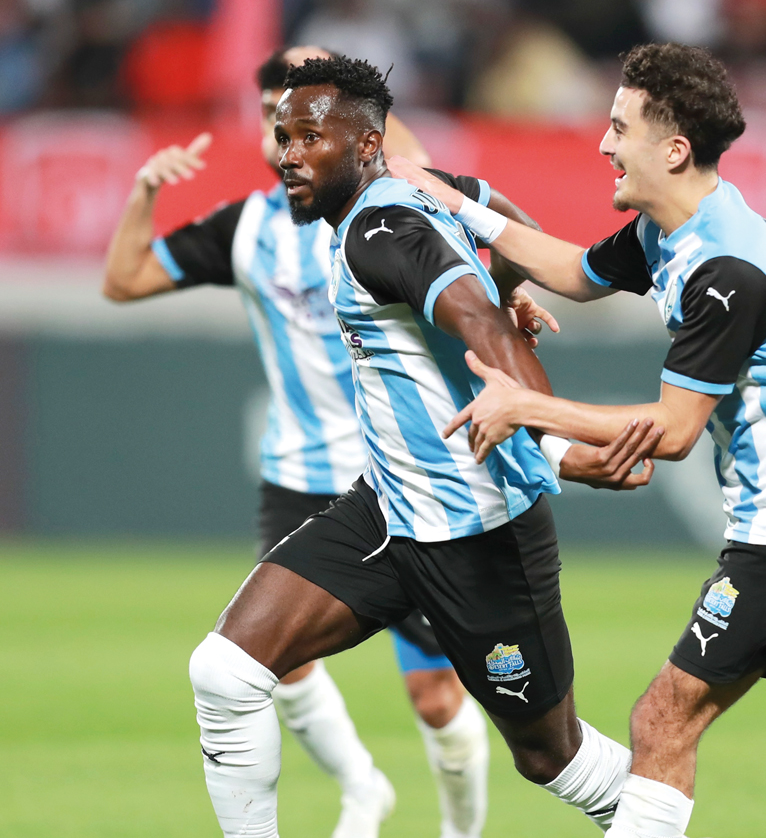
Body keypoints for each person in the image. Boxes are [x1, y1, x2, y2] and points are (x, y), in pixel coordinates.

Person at [388, 42, 766, 838]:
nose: (603, 144)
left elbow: (672, 433)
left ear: (673, 149)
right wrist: (453, 204)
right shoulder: (667, 230)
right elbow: (573, 270)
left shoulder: (727, 271)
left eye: (620, 128)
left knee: (662, 720)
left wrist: (527, 408)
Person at [186, 53, 665, 838]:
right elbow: (508, 218)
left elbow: (476, 323)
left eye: (311, 137)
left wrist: (555, 439)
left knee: (553, 758)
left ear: (366, 144)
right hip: (389, 510)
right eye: (282, 136)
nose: (289, 155)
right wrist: (512, 282)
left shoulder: (380, 229)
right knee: (226, 670)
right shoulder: (416, 186)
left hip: (477, 534)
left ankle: (659, 816)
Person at [103, 45, 492, 838]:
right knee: (267, 663)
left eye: (312, 119)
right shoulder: (245, 229)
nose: (287, 135)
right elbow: (125, 280)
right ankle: (364, 788)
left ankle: (462, 830)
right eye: (276, 118)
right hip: (300, 474)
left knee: (436, 694)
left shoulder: (390, 203)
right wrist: (144, 190)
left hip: (404, 473)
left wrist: (347, 82)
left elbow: (407, 155)